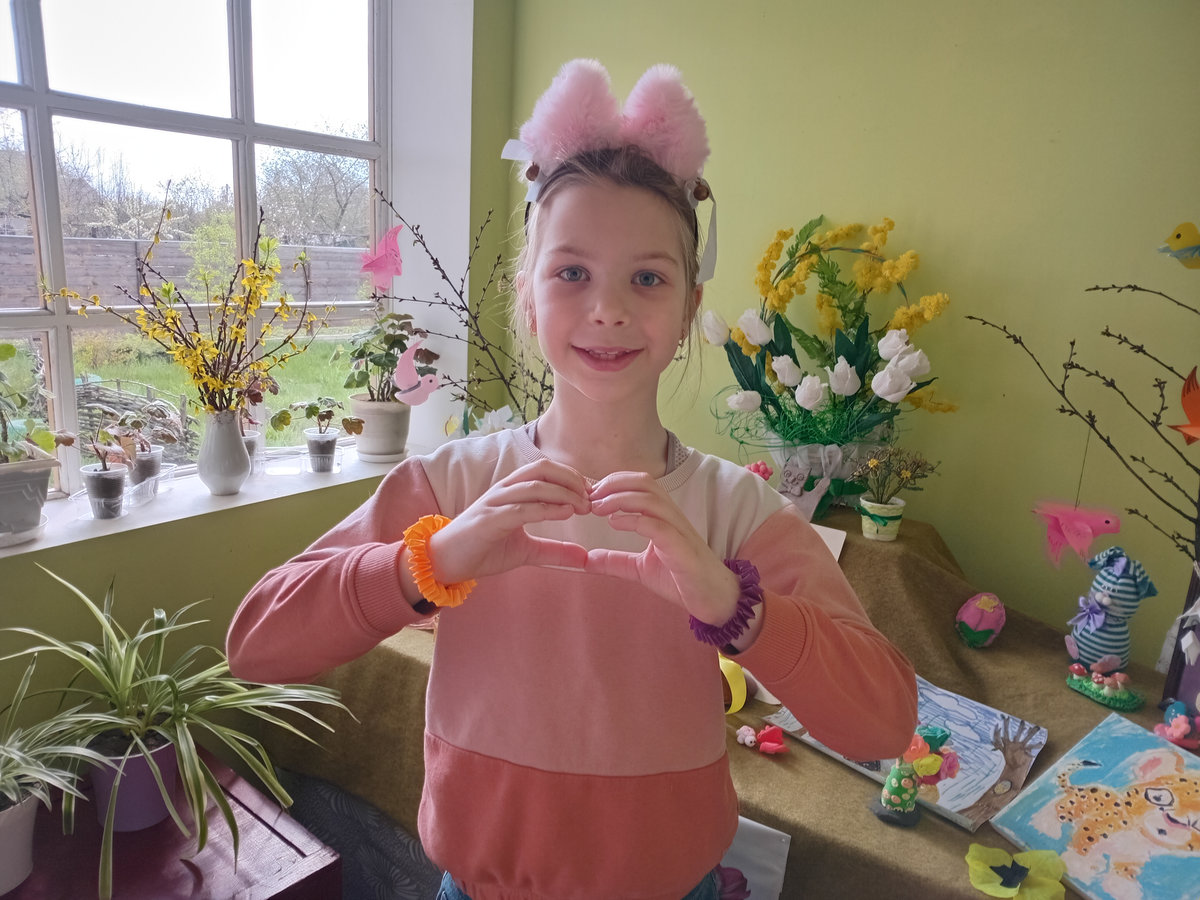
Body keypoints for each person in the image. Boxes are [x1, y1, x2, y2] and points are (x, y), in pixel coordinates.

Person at [227, 58, 918, 900]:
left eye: (648, 278)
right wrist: (431, 561)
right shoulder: (450, 486)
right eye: (572, 273)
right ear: (528, 294)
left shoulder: (737, 512)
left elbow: (885, 724)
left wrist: (733, 605)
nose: (609, 309)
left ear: (690, 305)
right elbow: (256, 643)